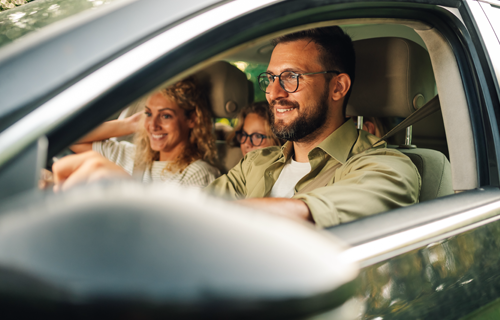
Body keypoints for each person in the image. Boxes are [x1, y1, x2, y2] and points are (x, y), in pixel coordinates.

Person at [53, 26, 420, 228]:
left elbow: (302, 214)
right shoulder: (256, 163)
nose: (274, 92)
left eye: (291, 77)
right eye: (271, 78)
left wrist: (138, 202)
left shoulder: (388, 166)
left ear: (338, 87)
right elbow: (194, 209)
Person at [69, 77, 220, 187]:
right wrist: (129, 124)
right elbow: (72, 139)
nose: (153, 125)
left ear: (192, 119)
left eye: (165, 116)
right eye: (148, 114)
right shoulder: (130, 156)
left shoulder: (197, 174)